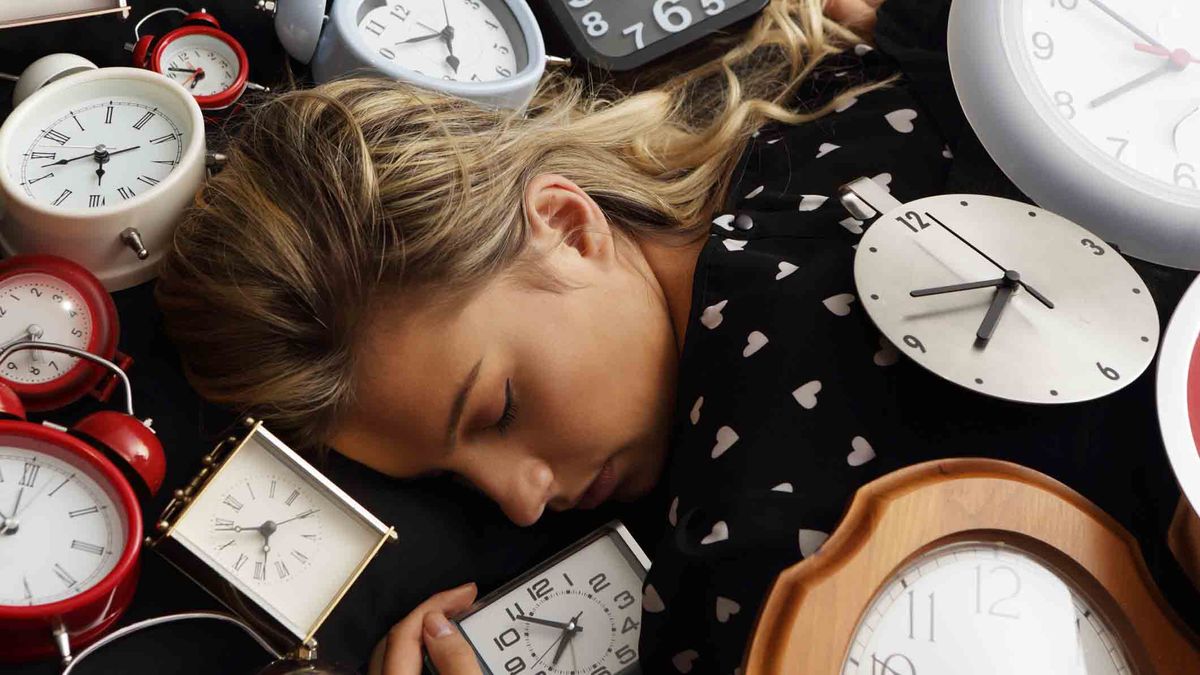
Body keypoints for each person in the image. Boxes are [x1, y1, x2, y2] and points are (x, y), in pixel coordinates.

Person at [155, 0, 1195, 672]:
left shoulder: (746, 509)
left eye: (498, 409)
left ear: (566, 226)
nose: (523, 495)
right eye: (457, 481)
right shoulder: (844, 89)